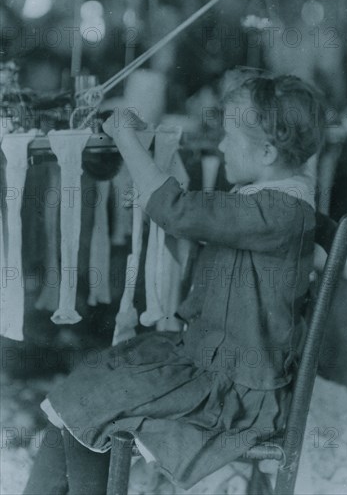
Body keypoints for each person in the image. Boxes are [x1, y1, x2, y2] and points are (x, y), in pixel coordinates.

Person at [24, 73, 325, 494]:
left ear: (269, 151)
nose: (219, 146)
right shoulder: (266, 200)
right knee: (84, 390)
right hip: (208, 361)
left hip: (233, 390)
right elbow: (196, 227)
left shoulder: (278, 211)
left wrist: (126, 137)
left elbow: (179, 211)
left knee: (93, 404)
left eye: (228, 137)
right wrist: (155, 199)